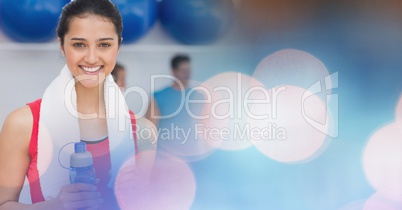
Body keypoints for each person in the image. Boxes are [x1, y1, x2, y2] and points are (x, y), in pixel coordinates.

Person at [0, 0, 155, 209]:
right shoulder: (24, 124)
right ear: (62, 46)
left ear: (118, 46)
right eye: (79, 44)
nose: (91, 58)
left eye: (104, 44)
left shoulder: (143, 131)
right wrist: (55, 205)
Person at [146, 54, 204, 161]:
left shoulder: (198, 96)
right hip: (165, 156)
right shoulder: (158, 96)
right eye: (183, 71)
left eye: (188, 70)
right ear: (174, 71)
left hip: (191, 155)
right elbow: (149, 131)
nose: (187, 74)